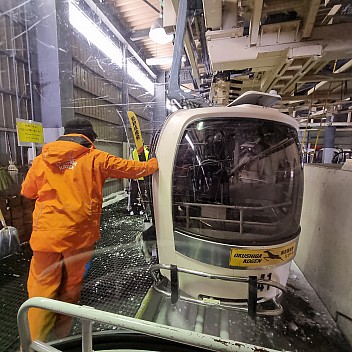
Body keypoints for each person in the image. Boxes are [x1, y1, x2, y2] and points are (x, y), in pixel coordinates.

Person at [21, 117, 158, 342]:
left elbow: (27, 191)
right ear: (89, 138)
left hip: (45, 234)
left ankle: (34, 341)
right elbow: (133, 169)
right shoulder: (96, 158)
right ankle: (60, 340)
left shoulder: (41, 160)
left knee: (41, 287)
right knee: (71, 285)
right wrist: (152, 164)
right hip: (78, 235)